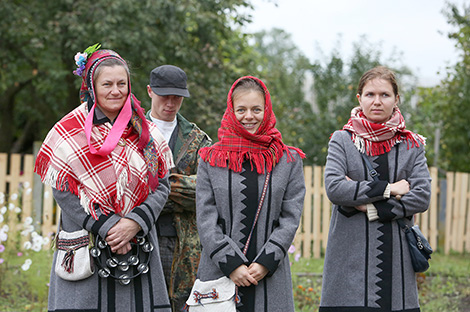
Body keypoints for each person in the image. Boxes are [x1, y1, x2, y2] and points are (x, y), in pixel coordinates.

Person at [34, 44, 174, 312]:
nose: (116, 90)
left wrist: (133, 223)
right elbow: (63, 191)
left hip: (138, 242)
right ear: (92, 86)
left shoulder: (146, 131)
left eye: (122, 83)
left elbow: (161, 185)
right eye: (107, 84)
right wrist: (109, 227)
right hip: (89, 241)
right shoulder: (68, 131)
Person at [320, 66, 432, 311]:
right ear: (359, 98)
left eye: (385, 95)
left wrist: (370, 208)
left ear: (396, 99)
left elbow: (421, 197)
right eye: (370, 94)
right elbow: (335, 188)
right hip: (348, 258)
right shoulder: (342, 140)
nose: (377, 101)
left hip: (397, 261)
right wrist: (390, 189)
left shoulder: (412, 144)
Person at [193, 76, 306, 312]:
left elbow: (290, 217)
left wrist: (267, 261)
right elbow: (206, 219)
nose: (249, 117)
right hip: (219, 273)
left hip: (270, 277)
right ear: (231, 111)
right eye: (241, 110)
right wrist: (231, 263)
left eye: (256, 109)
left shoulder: (288, 160)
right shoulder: (210, 159)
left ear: (267, 111)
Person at [146, 65, 212, 311]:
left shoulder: (198, 139)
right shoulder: (130, 132)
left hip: (185, 245)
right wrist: (181, 187)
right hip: (141, 236)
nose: (171, 103)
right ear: (150, 91)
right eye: (165, 95)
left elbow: (207, 189)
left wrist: (158, 184)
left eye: (177, 97)